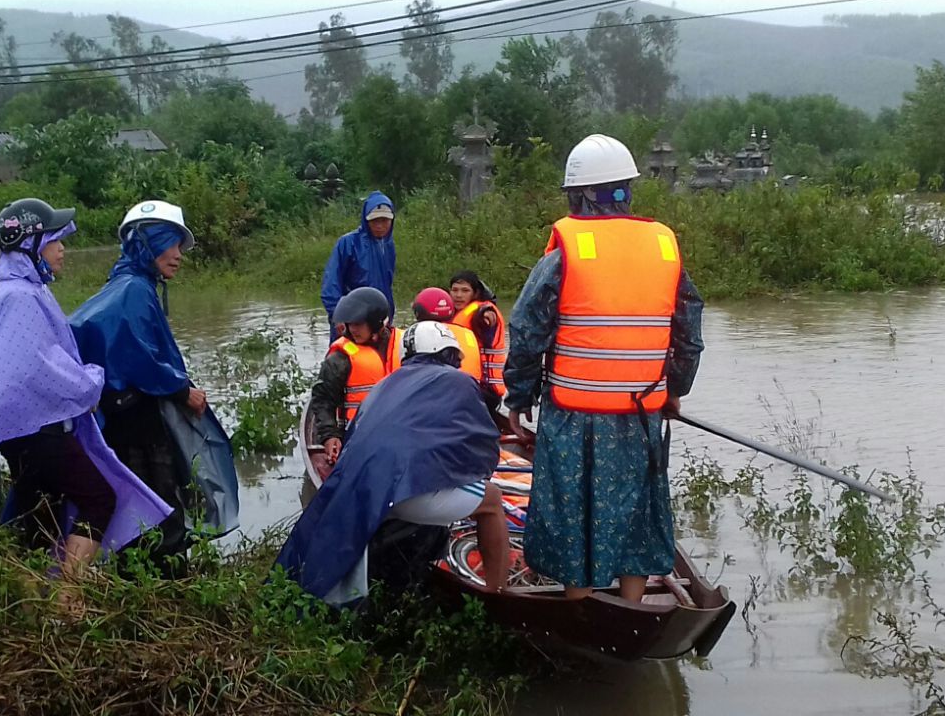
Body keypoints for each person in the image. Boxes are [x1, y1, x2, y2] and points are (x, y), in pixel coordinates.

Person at [0, 198, 170, 611]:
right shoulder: (19, 298)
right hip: (38, 432)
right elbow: (38, 369)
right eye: (55, 241)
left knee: (38, 517)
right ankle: (66, 598)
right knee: (99, 498)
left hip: (24, 432)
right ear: (30, 245)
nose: (63, 250)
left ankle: (26, 604)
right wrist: (90, 381)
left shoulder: (16, 291)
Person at [504, 134, 705, 604]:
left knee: (570, 509)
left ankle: (580, 605)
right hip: (640, 413)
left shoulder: (565, 252)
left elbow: (527, 330)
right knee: (635, 509)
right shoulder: (663, 247)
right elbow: (689, 332)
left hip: (573, 415)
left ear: (577, 195)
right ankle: (631, 605)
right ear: (626, 189)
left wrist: (519, 396)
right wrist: (675, 389)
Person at [278, 322, 511, 605]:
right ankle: (497, 594)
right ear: (449, 353)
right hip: (401, 493)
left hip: (367, 496)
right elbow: (484, 443)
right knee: (492, 501)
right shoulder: (458, 381)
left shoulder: (385, 385)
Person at [70, 200, 241, 571]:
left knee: (137, 502)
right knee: (159, 505)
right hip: (135, 420)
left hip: (121, 416)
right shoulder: (134, 289)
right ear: (147, 244)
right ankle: (167, 583)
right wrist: (182, 390)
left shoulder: (126, 285)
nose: (178, 255)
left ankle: (142, 578)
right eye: (171, 244)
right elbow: (139, 355)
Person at [304, 286, 395, 482]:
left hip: (398, 433)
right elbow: (323, 400)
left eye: (359, 324)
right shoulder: (340, 359)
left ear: (375, 323)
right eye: (350, 323)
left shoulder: (402, 347)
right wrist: (330, 436)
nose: (353, 329)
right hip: (356, 437)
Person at [320, 192, 396, 329]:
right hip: (351, 318)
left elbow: (387, 286)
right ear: (366, 221)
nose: (380, 226)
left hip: (379, 318)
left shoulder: (388, 246)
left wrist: (388, 315)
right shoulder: (348, 243)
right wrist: (337, 315)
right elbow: (331, 282)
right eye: (375, 221)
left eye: (384, 220)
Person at [449, 270, 509, 402]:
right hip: (465, 384)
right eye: (455, 290)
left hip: (485, 387)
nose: (458, 295)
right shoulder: (453, 314)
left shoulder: (483, 312)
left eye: (465, 291)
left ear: (475, 293)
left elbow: (486, 317)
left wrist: (485, 317)